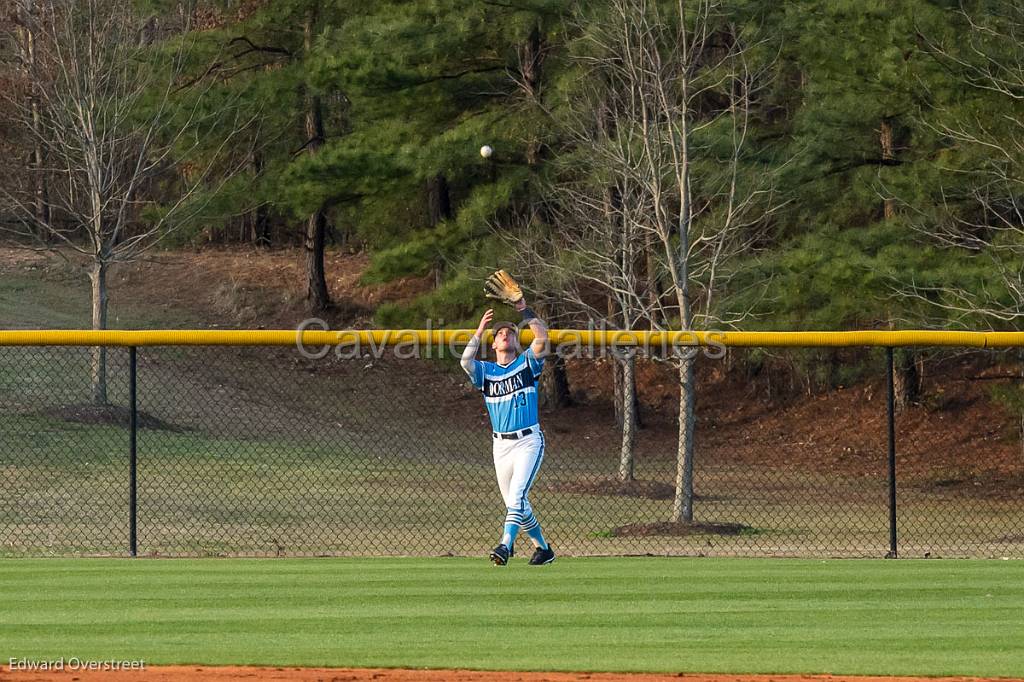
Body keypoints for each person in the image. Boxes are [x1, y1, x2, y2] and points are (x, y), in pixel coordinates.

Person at [460, 298, 555, 566]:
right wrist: (478, 332)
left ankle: (505, 545)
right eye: (500, 333)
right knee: (517, 506)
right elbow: (466, 362)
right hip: (500, 447)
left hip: (528, 441)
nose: (506, 334)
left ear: (516, 342)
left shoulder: (527, 363)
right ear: (493, 345)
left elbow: (542, 336)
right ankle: (543, 549)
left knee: (517, 497)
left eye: (511, 332)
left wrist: (523, 309)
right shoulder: (487, 372)